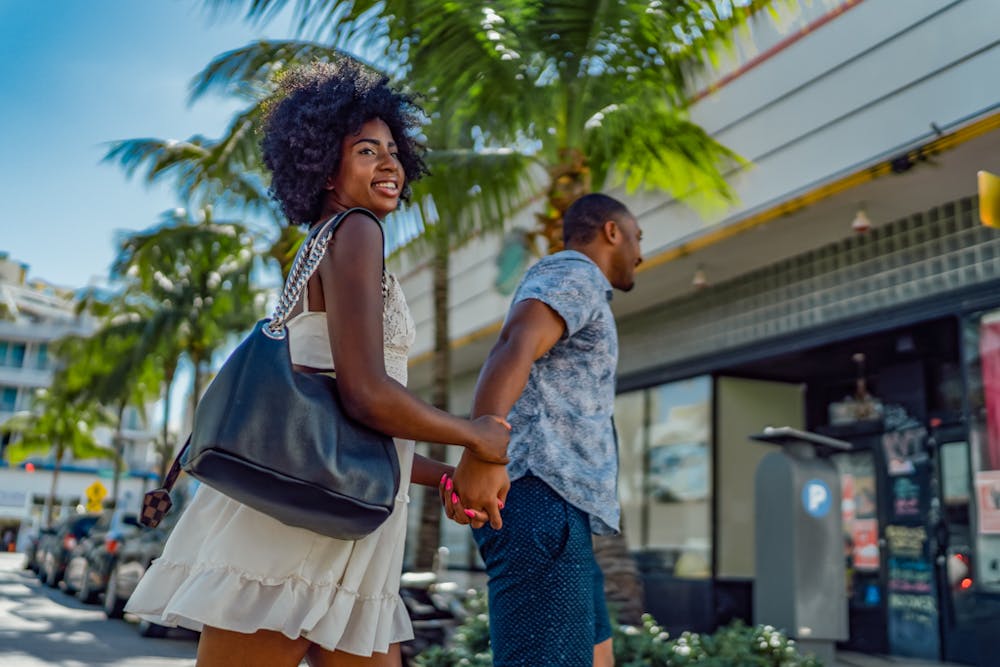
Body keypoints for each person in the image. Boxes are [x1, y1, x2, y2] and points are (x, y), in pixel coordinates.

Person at [125, 59, 509, 667]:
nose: (388, 164)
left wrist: (443, 475)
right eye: (365, 150)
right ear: (324, 164)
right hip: (304, 533)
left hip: (337, 523)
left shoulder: (328, 243)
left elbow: (345, 425)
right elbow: (365, 396)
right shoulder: (355, 232)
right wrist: (479, 437)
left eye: (392, 149)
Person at [443, 193, 643, 667]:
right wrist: (482, 451)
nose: (641, 252)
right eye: (638, 236)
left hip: (563, 511)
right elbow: (516, 343)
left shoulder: (580, 283)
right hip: (539, 498)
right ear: (612, 231)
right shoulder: (576, 272)